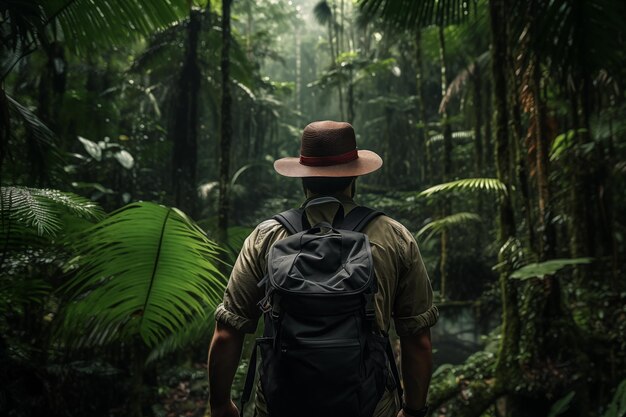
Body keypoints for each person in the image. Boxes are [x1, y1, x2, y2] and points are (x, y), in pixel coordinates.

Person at [208, 121, 438, 417]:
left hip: (281, 406)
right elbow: (417, 338)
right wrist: (413, 409)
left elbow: (228, 332)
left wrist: (220, 404)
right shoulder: (394, 237)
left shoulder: (266, 236)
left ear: (304, 179)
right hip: (369, 406)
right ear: (354, 177)